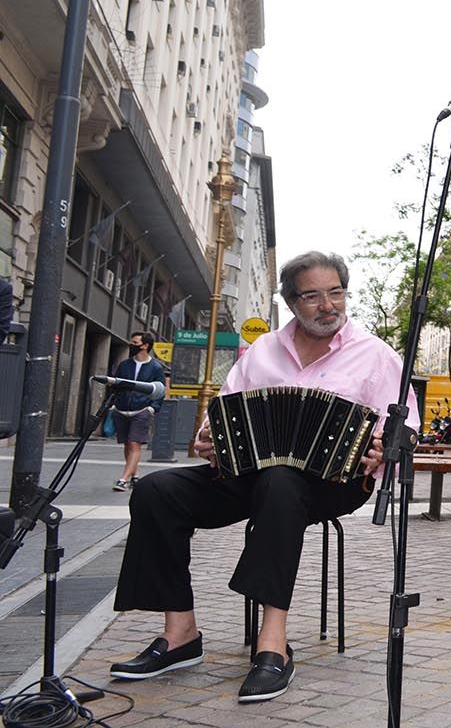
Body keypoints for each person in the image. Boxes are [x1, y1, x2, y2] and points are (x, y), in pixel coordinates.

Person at [109, 251, 420, 703]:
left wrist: (382, 450)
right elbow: (224, 412)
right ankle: (181, 635)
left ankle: (272, 643)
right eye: (313, 296)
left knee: (281, 481)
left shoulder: (374, 354)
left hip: (335, 482)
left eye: (336, 293)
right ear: (292, 302)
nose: (328, 305)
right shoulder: (264, 350)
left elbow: (405, 425)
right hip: (249, 475)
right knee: (158, 490)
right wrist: (206, 439)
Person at [109, 331, 167, 491]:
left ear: (145, 346)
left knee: (135, 444)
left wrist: (152, 408)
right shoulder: (125, 365)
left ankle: (123, 479)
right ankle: (134, 476)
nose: (132, 345)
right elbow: (117, 385)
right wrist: (114, 404)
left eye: (135, 343)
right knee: (127, 444)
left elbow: (160, 390)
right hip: (122, 410)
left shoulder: (156, 367)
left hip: (141, 410)